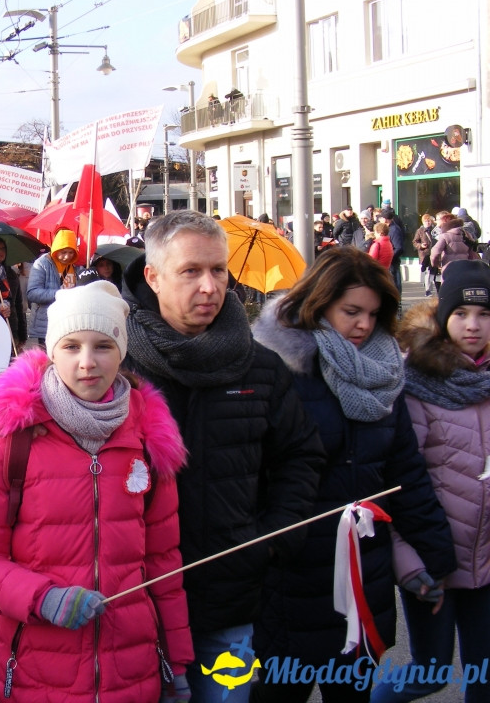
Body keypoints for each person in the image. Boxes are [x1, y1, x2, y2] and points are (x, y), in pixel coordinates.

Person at [0, 280, 194, 702]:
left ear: (122, 350)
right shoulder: (13, 443)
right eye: (71, 347)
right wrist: (43, 598)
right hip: (39, 671)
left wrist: (177, 661)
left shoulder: (150, 443)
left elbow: (164, 565)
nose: (87, 362)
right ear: (51, 351)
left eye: (103, 346)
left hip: (132, 675)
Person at [122, 211, 325, 703]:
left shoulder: (260, 365)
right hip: (135, 602)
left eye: (218, 270)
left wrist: (273, 537)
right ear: (153, 275)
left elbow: (301, 454)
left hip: (230, 598)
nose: (210, 286)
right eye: (191, 271)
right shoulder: (116, 360)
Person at [250, 246, 455, 702]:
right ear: (318, 303)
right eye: (351, 311)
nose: (364, 324)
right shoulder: (275, 369)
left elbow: (406, 472)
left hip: (362, 579)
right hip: (289, 581)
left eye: (373, 314)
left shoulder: (385, 374)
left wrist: (435, 558)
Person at [370, 261, 490, 702]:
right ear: (443, 318)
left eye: (484, 315)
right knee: (429, 673)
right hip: (432, 561)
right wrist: (409, 564)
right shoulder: (415, 382)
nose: (473, 325)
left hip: (487, 561)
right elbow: (397, 484)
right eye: (461, 314)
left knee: (484, 679)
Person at [26, 228, 81, 348]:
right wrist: (59, 294)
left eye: (71, 252)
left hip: (71, 324)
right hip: (48, 325)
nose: (67, 257)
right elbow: (32, 293)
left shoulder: (77, 267)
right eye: (63, 252)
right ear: (56, 249)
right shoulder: (42, 264)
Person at [0, 236, 28, 347]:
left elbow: (18, 305)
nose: (0, 252)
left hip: (11, 326)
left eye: (3, 249)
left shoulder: (12, 274)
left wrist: (22, 334)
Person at [411, 214, 435, 296]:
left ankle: (429, 287)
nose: (428, 222)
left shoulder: (434, 230)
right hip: (425, 254)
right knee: (427, 271)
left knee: (432, 272)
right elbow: (415, 241)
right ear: (423, 222)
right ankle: (428, 290)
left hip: (433, 253)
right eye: (426, 221)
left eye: (429, 221)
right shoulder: (420, 231)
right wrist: (420, 245)